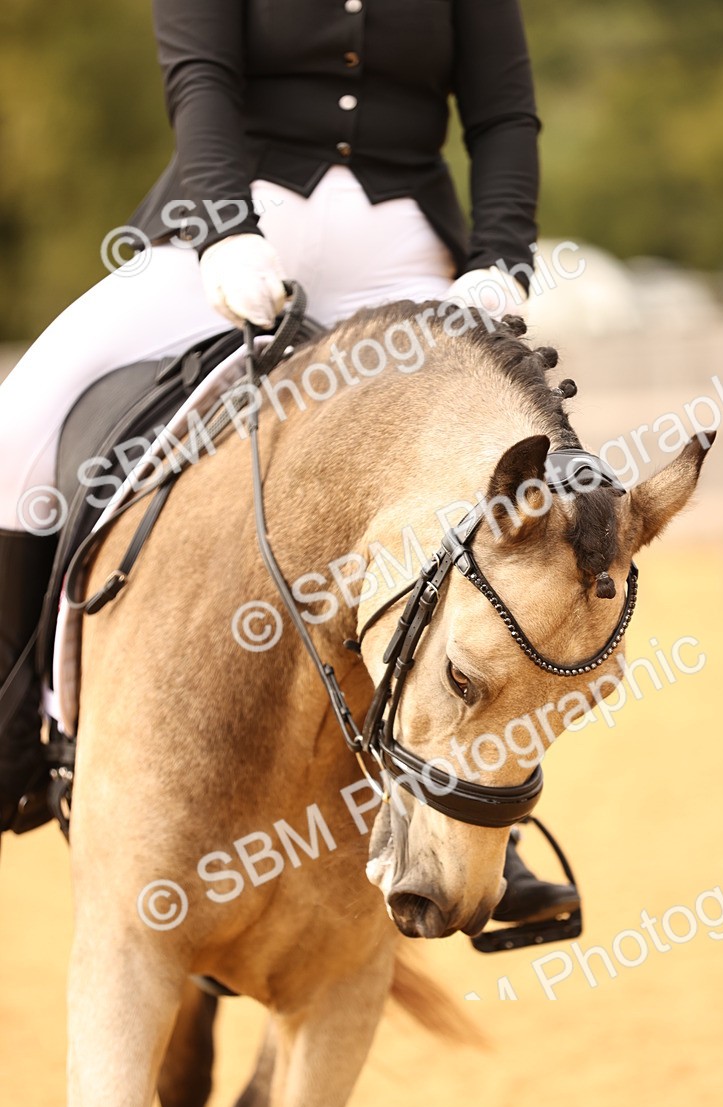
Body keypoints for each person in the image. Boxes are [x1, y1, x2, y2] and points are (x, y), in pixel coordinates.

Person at [0, 0, 577, 926]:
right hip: (234, 227)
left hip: (406, 254)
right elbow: (201, 81)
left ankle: (482, 826)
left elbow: (505, 115)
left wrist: (502, 256)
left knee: (491, 466)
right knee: (17, 422)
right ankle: (12, 733)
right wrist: (225, 227)